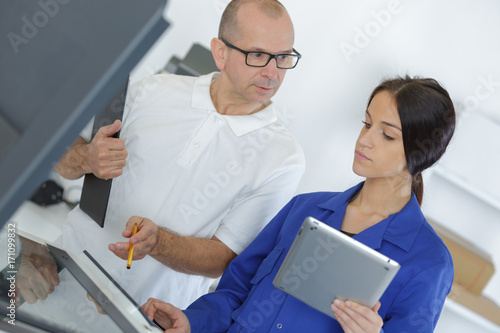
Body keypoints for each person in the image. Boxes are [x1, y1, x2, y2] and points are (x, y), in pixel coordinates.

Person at [141, 75, 456, 332]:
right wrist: (193, 322)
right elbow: (236, 291)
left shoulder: (429, 263)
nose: (365, 139)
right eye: (366, 123)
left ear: (422, 154)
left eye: (387, 135)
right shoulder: (304, 209)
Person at [54, 0, 305, 309]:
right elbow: (60, 159)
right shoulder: (153, 89)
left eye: (283, 57)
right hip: (60, 276)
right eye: (258, 55)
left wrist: (159, 242)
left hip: (144, 317)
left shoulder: (283, 158)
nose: (272, 72)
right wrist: (86, 158)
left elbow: (222, 258)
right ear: (220, 52)